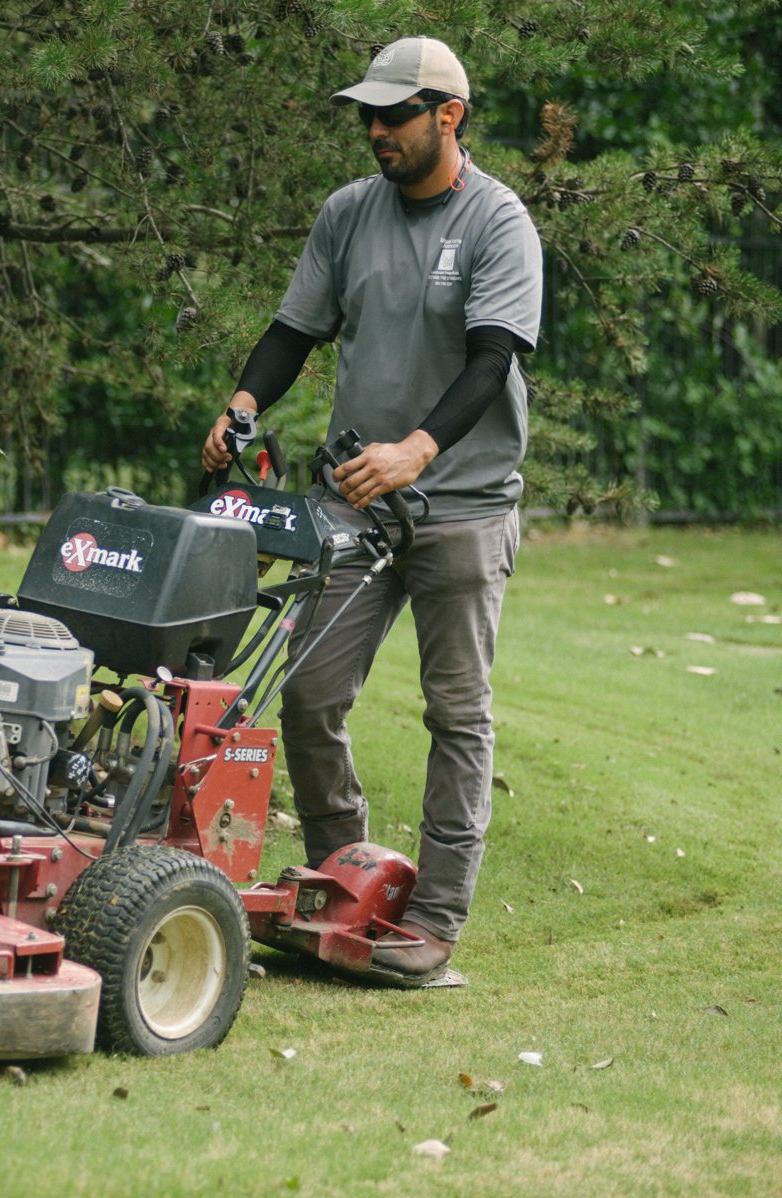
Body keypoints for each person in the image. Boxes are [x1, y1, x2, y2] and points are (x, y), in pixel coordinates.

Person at [201, 37, 543, 986]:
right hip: (354, 500)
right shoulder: (349, 213)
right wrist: (242, 405)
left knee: (457, 713)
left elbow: (491, 361)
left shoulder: (498, 223)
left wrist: (416, 453)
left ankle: (430, 921)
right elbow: (293, 330)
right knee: (309, 693)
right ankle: (342, 880)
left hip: (461, 507)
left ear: (450, 116)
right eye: (369, 114)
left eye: (396, 114)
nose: (376, 130)